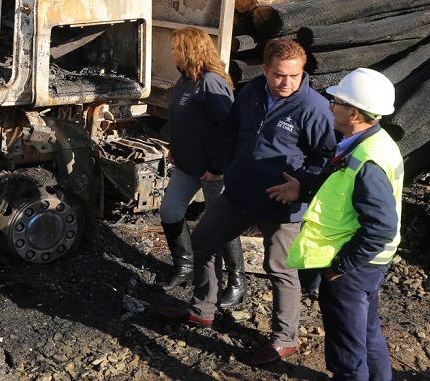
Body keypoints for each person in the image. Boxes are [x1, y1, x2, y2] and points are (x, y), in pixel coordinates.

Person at [158, 38, 336, 367]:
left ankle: (284, 339)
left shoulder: (313, 107)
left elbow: (325, 158)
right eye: (280, 75)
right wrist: (221, 166)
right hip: (239, 192)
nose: (288, 83)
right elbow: (231, 130)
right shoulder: (252, 92)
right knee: (204, 239)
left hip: (280, 203)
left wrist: (302, 186)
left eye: (295, 76)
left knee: (280, 268)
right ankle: (203, 310)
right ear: (265, 69)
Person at [269, 68, 404, 381]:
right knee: (368, 334)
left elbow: (381, 227)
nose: (330, 106)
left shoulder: (367, 160)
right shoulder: (371, 142)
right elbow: (343, 189)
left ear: (354, 113)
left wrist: (341, 266)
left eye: (336, 102)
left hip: (352, 268)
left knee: (347, 353)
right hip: (367, 266)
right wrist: (303, 188)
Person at [157, 27, 247, 308]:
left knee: (221, 224)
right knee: (170, 212)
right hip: (187, 164)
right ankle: (185, 267)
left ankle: (237, 280)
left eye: (175, 48)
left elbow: (228, 128)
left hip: (212, 170)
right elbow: (182, 119)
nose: (171, 52)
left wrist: (218, 168)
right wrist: (175, 147)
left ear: (189, 51)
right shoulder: (185, 80)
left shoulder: (211, 83)